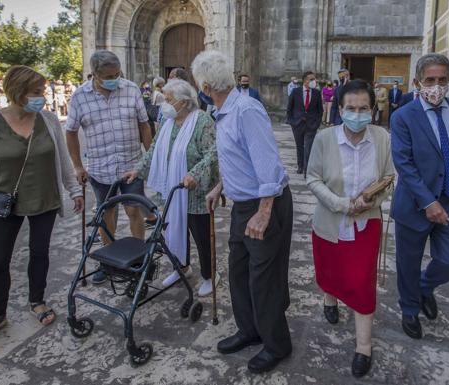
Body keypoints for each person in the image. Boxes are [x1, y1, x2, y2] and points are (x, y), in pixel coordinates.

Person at [0, 65, 84, 347]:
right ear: (17, 92)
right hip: (4, 202)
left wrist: (74, 190)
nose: (43, 97)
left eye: (42, 92)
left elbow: (63, 160)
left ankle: (37, 301)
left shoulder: (49, 120)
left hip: (44, 199)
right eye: (37, 92)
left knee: (40, 253)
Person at [192, 50, 293, 374]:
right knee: (238, 272)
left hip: (265, 204)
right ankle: (250, 330)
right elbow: (240, 160)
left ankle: (277, 344)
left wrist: (263, 212)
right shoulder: (224, 111)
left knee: (264, 279)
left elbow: (268, 167)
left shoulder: (246, 110)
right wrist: (221, 187)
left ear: (206, 86)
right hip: (242, 205)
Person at [391, 53, 449, 340]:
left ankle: (425, 288)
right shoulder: (403, 116)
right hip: (416, 204)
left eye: (442, 79)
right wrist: (428, 202)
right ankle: (408, 308)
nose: (436, 85)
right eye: (430, 80)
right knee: (408, 261)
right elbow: (404, 164)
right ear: (418, 82)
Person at [307, 79, 394, 378]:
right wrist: (343, 204)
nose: (357, 114)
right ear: (340, 109)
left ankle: (364, 346)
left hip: (365, 224)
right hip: (330, 222)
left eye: (364, 108)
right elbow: (313, 179)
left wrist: (369, 202)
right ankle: (329, 297)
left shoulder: (382, 138)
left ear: (373, 109)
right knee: (330, 271)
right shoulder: (324, 139)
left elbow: (388, 177)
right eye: (351, 108)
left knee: (361, 282)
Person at [124, 79, 220, 295]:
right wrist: (137, 170)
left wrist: (194, 174)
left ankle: (210, 275)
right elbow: (153, 150)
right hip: (171, 189)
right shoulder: (167, 123)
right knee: (173, 233)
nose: (164, 104)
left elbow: (213, 153)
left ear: (185, 102)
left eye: (169, 100)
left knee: (202, 237)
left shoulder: (202, 121)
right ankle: (181, 267)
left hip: (195, 193)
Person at [66, 50, 153, 285]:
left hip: (131, 164)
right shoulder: (79, 97)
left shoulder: (131, 89)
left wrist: (150, 156)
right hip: (99, 168)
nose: (115, 78)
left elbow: (144, 124)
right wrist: (77, 166)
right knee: (106, 214)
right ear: (94, 75)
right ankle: (109, 260)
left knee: (134, 210)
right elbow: (71, 132)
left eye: (118, 73)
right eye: (109, 76)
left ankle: (139, 257)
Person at [286, 71, 323, 175]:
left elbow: (320, 110)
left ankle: (307, 169)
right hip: (297, 124)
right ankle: (300, 166)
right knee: (299, 146)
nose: (314, 81)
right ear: (305, 81)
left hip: (311, 125)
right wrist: (291, 121)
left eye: (314, 79)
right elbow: (289, 108)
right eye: (311, 79)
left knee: (308, 147)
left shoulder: (316, 93)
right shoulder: (295, 92)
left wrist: (317, 124)